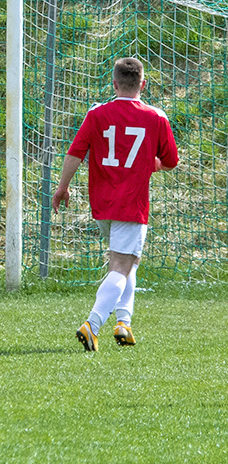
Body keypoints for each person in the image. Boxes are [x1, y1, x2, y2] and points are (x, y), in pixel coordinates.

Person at [52, 57, 179, 352]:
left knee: (126, 261)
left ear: (114, 84)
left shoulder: (96, 113)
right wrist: (152, 162)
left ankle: (124, 322)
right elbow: (171, 160)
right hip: (132, 204)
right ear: (142, 84)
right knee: (122, 266)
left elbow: (75, 152)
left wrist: (62, 187)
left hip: (102, 202)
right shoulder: (156, 116)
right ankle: (93, 324)